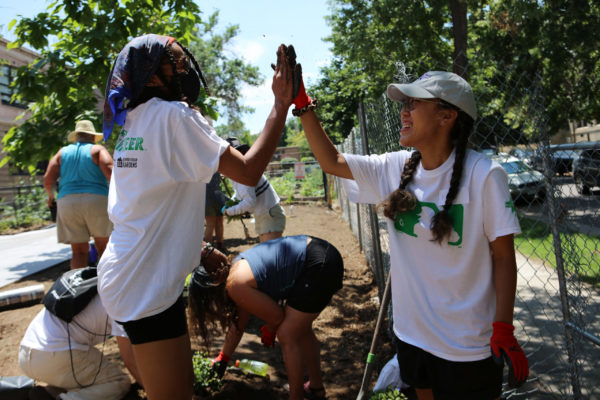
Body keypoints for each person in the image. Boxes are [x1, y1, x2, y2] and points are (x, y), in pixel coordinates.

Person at [285, 49, 529, 400]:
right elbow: (331, 160)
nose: (404, 111)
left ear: (447, 115)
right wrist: (303, 104)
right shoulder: (394, 167)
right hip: (412, 336)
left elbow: (504, 257)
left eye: (414, 104)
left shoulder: (484, 175)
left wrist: (503, 328)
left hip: (467, 346)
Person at [98, 34, 293, 400]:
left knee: (173, 388)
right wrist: (280, 105)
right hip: (145, 285)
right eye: (177, 61)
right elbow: (249, 172)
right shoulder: (174, 117)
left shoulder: (134, 122)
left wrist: (200, 248)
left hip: (130, 273)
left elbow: (147, 206)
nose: (185, 67)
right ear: (153, 75)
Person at [188, 235, 344, 400]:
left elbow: (277, 316)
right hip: (324, 254)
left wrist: (270, 328)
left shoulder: (235, 285)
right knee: (300, 329)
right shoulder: (236, 271)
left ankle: (296, 397)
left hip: (318, 265)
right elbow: (239, 324)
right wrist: (223, 358)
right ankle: (315, 388)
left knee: (286, 334)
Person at [18, 293, 140, 400]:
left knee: (84, 373)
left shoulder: (101, 281)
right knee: (118, 381)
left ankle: (50, 393)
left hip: (27, 351)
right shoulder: (125, 302)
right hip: (56, 355)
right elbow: (131, 361)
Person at [43, 120, 113, 270]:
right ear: (93, 137)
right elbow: (110, 172)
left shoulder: (62, 153)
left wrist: (51, 198)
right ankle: (107, 288)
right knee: (104, 248)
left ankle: (78, 289)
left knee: (79, 252)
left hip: (67, 202)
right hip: (97, 200)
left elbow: (48, 180)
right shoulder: (97, 150)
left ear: (75, 137)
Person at [222, 137, 286, 243]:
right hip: (265, 213)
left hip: (268, 214)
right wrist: (231, 203)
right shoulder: (239, 172)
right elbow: (240, 194)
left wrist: (230, 211)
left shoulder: (243, 173)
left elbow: (250, 203)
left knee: (271, 255)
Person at [204, 172, 227, 251]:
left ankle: (220, 246)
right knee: (210, 223)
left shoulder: (217, 163)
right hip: (207, 197)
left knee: (220, 222)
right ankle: (208, 249)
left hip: (218, 196)